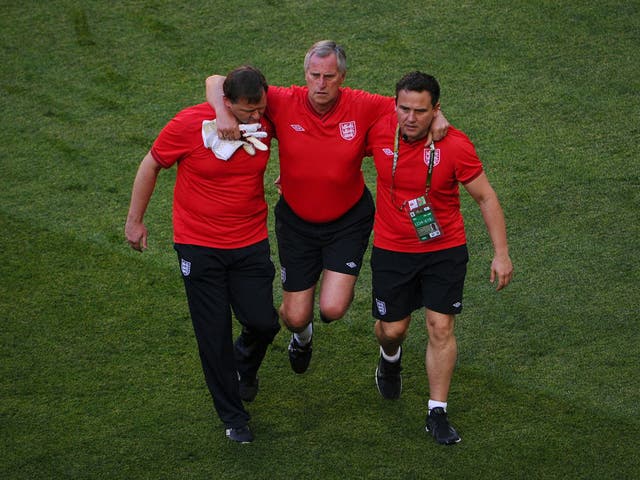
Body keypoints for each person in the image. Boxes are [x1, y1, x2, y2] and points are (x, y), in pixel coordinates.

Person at [206, 41, 449, 375]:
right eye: (314, 75)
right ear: (305, 73)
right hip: (296, 223)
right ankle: (302, 339)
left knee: (333, 308)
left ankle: (372, 348)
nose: (320, 84)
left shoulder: (362, 104)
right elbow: (216, 80)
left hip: (346, 222)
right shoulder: (282, 99)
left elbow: (410, 107)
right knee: (293, 316)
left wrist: (439, 115)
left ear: (342, 76)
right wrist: (221, 112)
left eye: (329, 76)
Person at [124, 65, 280, 444]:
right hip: (199, 246)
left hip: (249, 241)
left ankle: (244, 365)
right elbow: (152, 163)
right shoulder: (187, 123)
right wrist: (135, 221)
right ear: (227, 104)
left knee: (264, 323)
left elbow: (218, 80)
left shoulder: (264, 118)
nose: (257, 117)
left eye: (260, 108)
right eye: (248, 111)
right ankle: (233, 416)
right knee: (212, 333)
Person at [365, 71, 513, 445]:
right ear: (394, 105)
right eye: (404, 109)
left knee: (440, 327)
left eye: (420, 111)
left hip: (443, 250)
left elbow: (486, 197)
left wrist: (501, 253)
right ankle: (390, 357)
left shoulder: (456, 146)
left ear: (436, 110)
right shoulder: (378, 129)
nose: (410, 118)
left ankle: (437, 411)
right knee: (392, 329)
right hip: (392, 249)